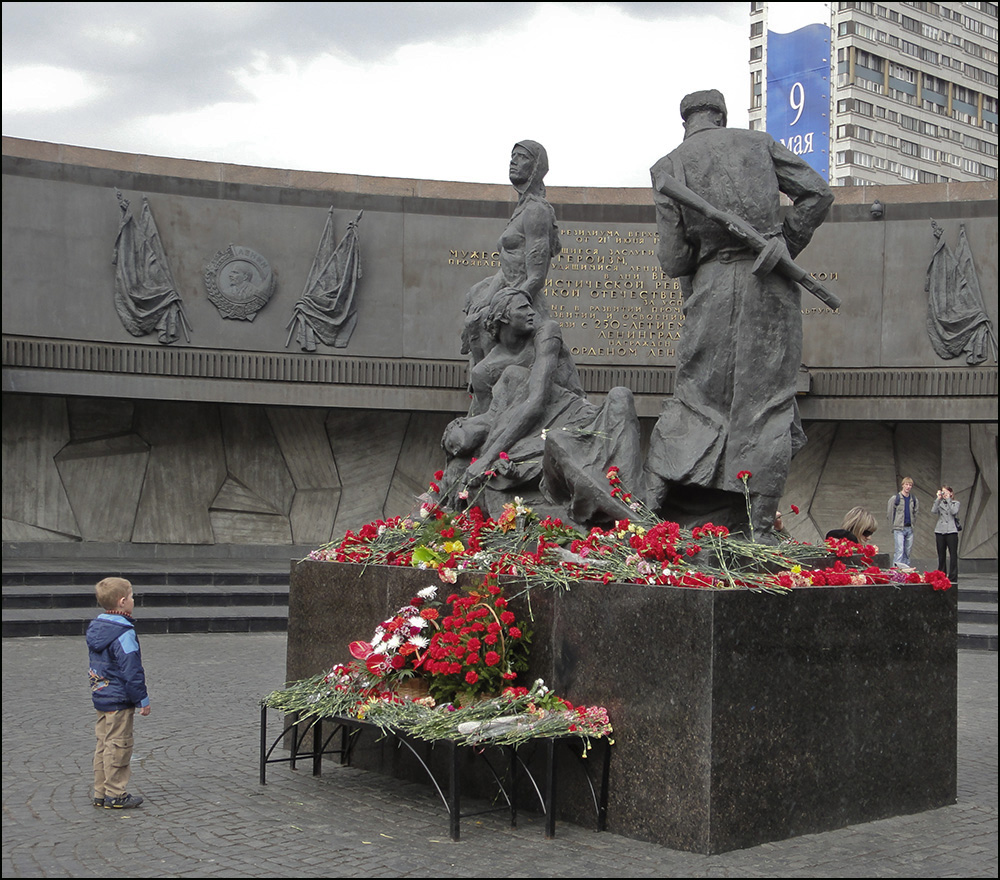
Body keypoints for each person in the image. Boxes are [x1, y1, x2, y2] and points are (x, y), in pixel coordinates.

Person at [643, 88, 833, 543]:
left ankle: (655, 505)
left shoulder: (668, 166)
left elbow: (672, 261)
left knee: (695, 397)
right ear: (723, 115)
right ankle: (760, 527)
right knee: (768, 402)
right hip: (770, 286)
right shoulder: (759, 143)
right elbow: (818, 194)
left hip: (710, 289)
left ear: (685, 121)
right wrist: (783, 241)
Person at [442, 287, 642, 529]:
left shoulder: (546, 332)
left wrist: (487, 459)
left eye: (529, 306)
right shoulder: (483, 373)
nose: (531, 312)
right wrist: (483, 459)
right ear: (503, 317)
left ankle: (634, 507)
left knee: (620, 397)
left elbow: (536, 402)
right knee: (552, 443)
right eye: (522, 307)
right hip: (530, 437)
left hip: (576, 418)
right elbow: (484, 420)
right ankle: (625, 519)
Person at [461, 140, 561, 397]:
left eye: (522, 157)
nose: (513, 161)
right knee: (474, 308)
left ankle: (484, 408)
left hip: (523, 304)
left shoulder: (537, 211)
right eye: (512, 156)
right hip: (508, 294)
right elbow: (508, 267)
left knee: (482, 324)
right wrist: (484, 294)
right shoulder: (522, 209)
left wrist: (504, 304)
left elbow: (536, 277)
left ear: (537, 166)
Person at [87, 577, 151, 809]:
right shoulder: (124, 632)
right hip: (119, 698)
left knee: (103, 743)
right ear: (123, 602)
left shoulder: (97, 627)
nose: (134, 600)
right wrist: (141, 699)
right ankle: (116, 794)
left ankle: (100, 792)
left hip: (101, 694)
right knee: (119, 745)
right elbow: (131, 670)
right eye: (132, 596)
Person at [887, 477, 919, 570]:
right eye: (906, 484)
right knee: (899, 551)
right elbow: (890, 513)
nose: (908, 487)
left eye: (910, 485)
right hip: (899, 528)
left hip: (909, 528)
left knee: (907, 552)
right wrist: (892, 527)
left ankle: (906, 571)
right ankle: (895, 571)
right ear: (902, 485)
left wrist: (913, 524)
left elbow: (916, 512)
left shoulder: (913, 499)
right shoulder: (895, 498)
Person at [931, 485, 960, 583]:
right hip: (940, 530)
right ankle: (941, 575)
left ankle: (953, 576)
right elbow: (933, 511)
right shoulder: (940, 503)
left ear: (951, 493)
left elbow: (953, 511)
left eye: (946, 492)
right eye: (943, 492)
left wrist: (948, 499)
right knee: (941, 554)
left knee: (953, 554)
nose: (944, 495)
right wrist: (938, 499)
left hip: (951, 530)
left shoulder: (956, 503)